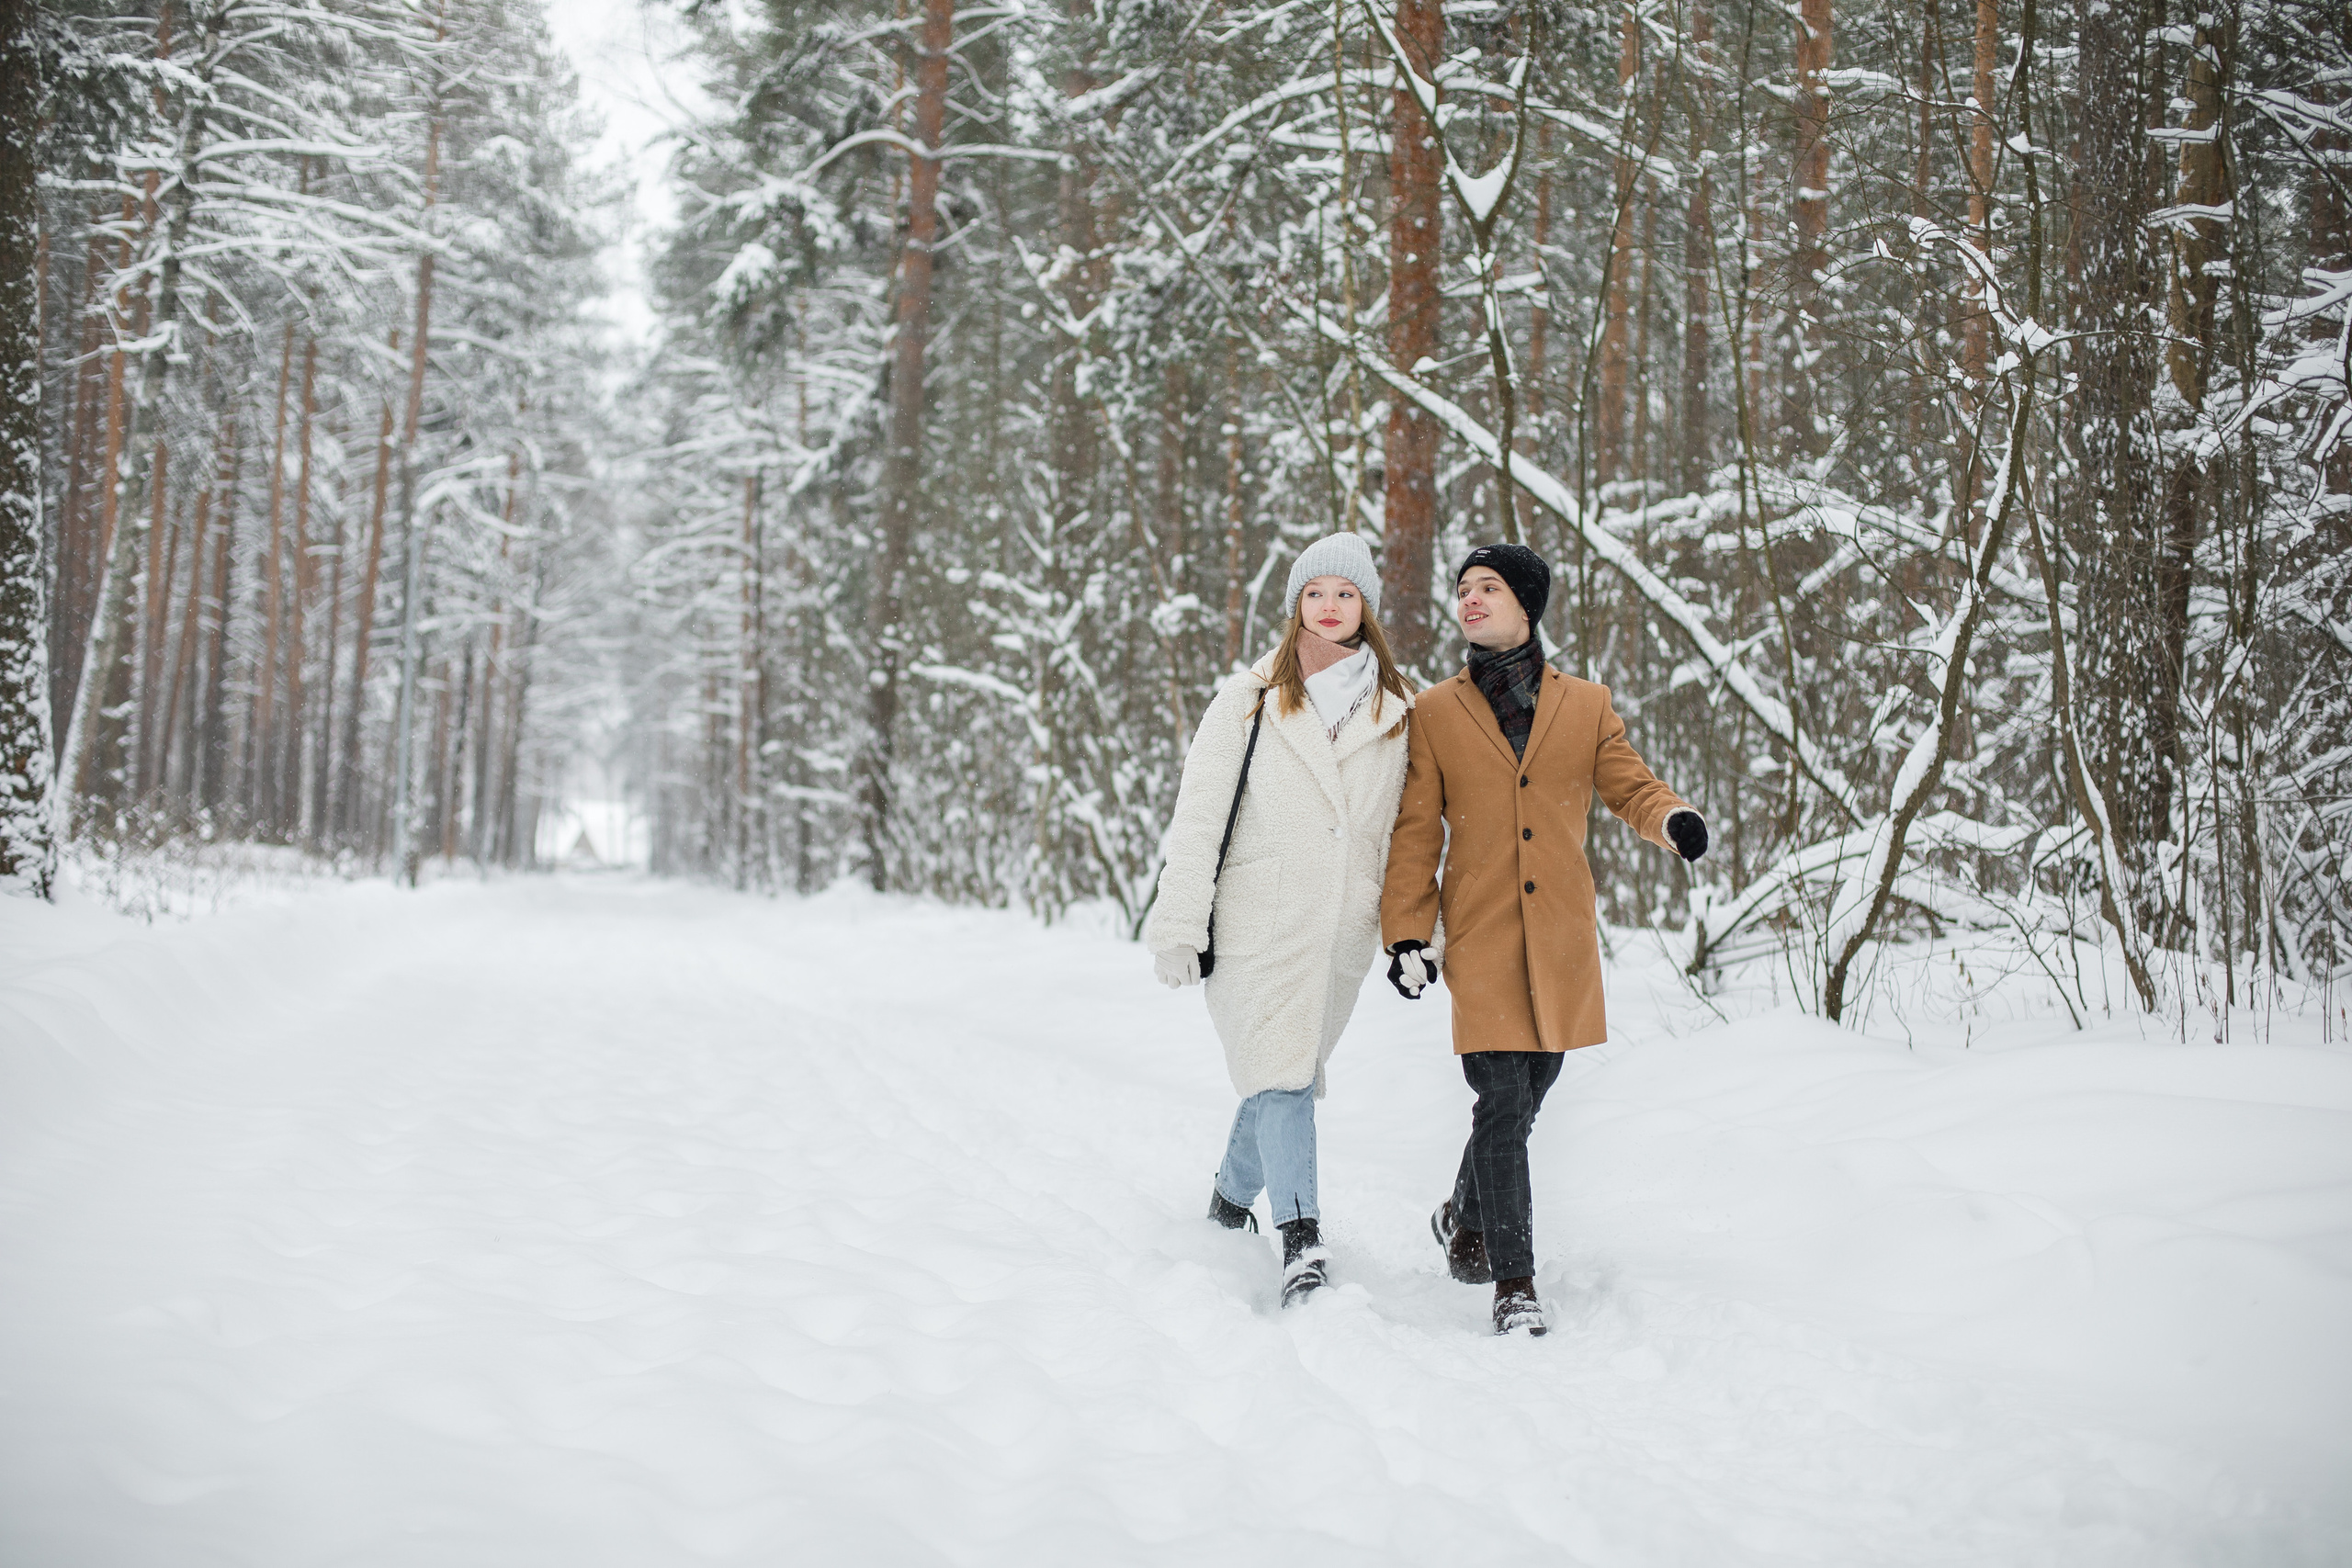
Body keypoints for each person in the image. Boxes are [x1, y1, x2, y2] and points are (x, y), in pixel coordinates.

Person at [1379, 544, 1707, 1336]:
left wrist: (1671, 819)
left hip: (1560, 935)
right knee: (1498, 1099)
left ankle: (1463, 1216)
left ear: (1527, 603)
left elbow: (1631, 785)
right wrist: (1407, 936)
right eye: (1462, 589)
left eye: (1488, 587)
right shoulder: (1434, 711)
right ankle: (1513, 1282)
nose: (1470, 600)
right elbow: (1416, 832)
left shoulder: (1585, 705)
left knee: (1528, 1095)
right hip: (1484, 934)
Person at [1147, 532, 1416, 1308]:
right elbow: (1199, 816)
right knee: (1285, 1076)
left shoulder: (1399, 713)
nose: (1330, 606)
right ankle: (1302, 1239)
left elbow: (1409, 836)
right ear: (1296, 603)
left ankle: (1228, 1208)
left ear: (1366, 607)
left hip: (1340, 933)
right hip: (1255, 923)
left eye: (1346, 593)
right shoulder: (1249, 698)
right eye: (1315, 593)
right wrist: (1179, 922)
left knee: (1281, 1076)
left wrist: (1411, 933)